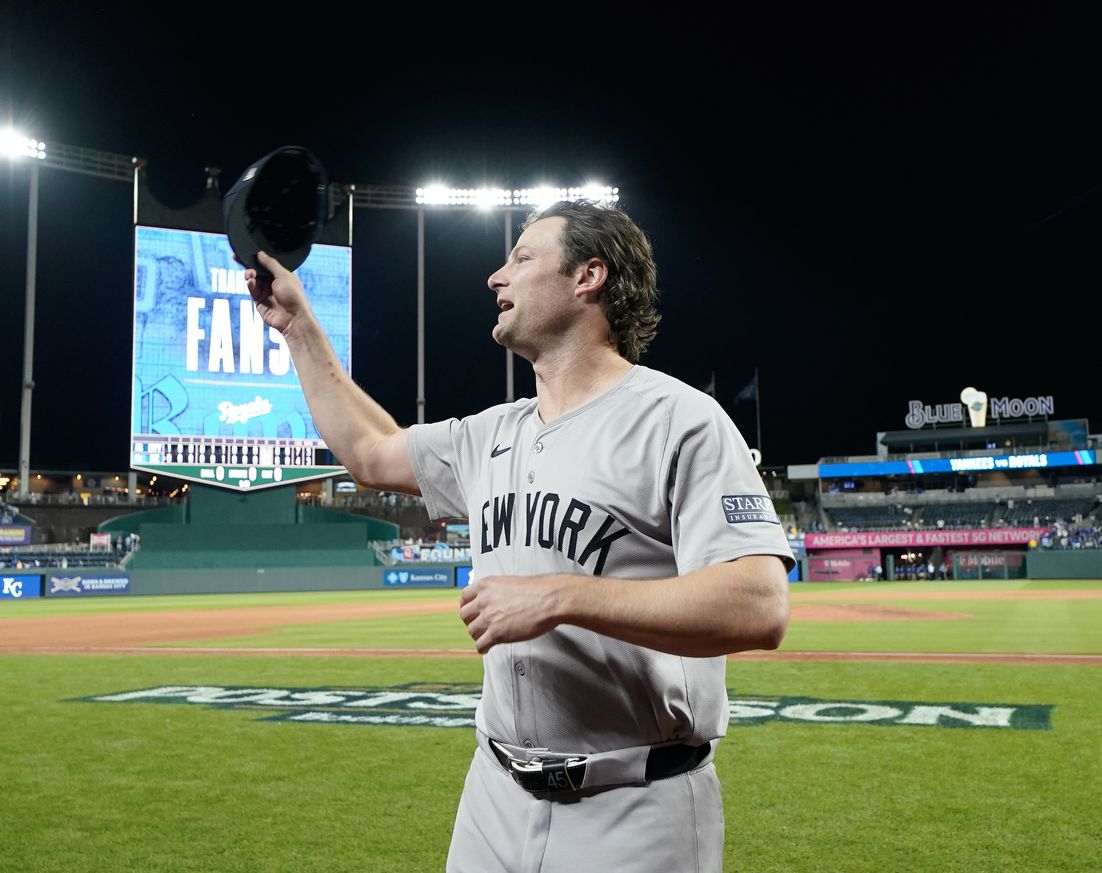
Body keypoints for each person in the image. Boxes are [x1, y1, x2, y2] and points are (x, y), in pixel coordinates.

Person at [245, 199, 793, 873]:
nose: (495, 278)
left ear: (588, 276)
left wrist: (562, 594)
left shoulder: (679, 420)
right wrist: (298, 326)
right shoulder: (491, 433)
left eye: (522, 258)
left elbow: (759, 604)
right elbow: (369, 448)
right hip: (494, 796)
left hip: (634, 805)